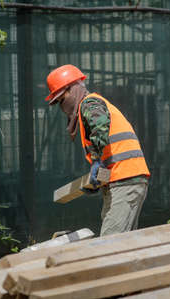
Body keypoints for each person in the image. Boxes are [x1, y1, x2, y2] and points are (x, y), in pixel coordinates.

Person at [45, 64, 150, 236]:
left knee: (109, 244)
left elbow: (99, 127)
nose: (61, 106)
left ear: (72, 89)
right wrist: (99, 179)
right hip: (121, 180)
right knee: (123, 244)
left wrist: (95, 161)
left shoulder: (90, 103)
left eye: (61, 99)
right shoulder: (89, 105)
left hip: (126, 179)